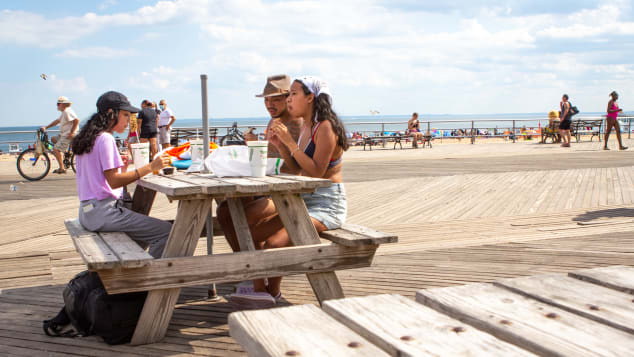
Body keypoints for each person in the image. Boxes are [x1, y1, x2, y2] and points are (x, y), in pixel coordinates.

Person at [229, 76, 348, 308]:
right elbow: (296, 169)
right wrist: (282, 144)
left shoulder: (325, 127)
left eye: (293, 94)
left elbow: (315, 172)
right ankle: (262, 291)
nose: (289, 98)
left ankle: (269, 293)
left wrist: (290, 144)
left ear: (310, 97)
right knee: (250, 233)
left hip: (326, 204)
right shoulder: (307, 126)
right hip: (302, 198)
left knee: (274, 243)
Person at [70, 91, 172, 258]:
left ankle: (132, 273)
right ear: (111, 113)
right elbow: (114, 182)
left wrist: (123, 170)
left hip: (87, 211)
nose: (128, 120)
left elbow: (99, 179)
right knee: (165, 232)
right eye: (125, 115)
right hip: (104, 212)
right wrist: (151, 166)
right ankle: (149, 278)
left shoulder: (89, 137)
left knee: (143, 233)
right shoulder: (106, 139)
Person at [217, 74, 302, 253]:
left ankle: (253, 264)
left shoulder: (296, 122)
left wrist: (267, 150)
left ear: (289, 98)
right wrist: (255, 144)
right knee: (225, 210)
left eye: (276, 100)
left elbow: (295, 168)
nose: (270, 105)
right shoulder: (275, 119)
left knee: (242, 216)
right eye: (266, 101)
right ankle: (244, 261)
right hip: (267, 186)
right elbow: (271, 153)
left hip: (287, 192)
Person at [41, 96, 79, 173]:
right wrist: (46, 127)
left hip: (68, 135)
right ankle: (65, 153)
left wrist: (71, 132)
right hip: (64, 135)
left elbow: (76, 120)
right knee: (53, 139)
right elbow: (57, 121)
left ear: (63, 104)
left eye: (58, 104)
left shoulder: (67, 111)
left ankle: (62, 168)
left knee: (55, 149)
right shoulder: (64, 112)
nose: (57, 106)